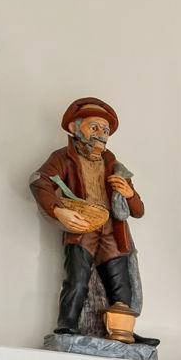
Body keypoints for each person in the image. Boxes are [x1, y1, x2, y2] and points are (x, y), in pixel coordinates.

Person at [30, 96, 146, 337]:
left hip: (112, 231)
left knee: (121, 287)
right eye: (94, 127)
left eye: (105, 130)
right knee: (77, 279)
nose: (101, 134)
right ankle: (67, 327)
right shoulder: (63, 158)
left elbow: (138, 210)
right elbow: (40, 182)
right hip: (82, 227)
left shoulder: (115, 166)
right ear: (75, 128)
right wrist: (59, 211)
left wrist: (129, 192)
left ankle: (123, 333)